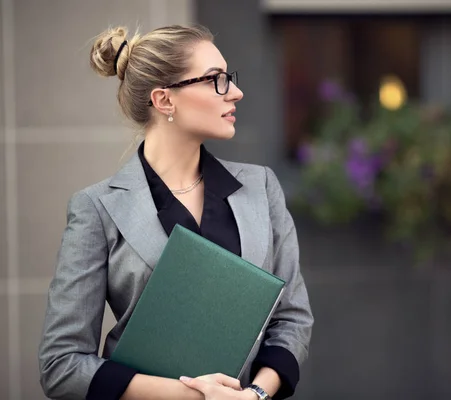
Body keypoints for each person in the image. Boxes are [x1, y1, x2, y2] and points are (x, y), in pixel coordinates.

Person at [38, 24, 313, 400]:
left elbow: (292, 319)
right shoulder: (97, 208)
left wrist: (254, 396)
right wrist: (195, 396)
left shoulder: (262, 187)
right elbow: (62, 365)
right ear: (165, 100)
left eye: (229, 78)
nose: (235, 92)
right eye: (216, 80)